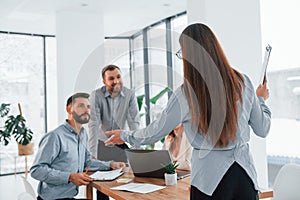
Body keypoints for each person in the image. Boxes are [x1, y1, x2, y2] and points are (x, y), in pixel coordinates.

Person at [104, 23, 271, 200]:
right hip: (244, 178)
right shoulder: (243, 82)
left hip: (209, 182)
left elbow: (155, 132)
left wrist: (125, 135)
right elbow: (263, 129)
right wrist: (260, 99)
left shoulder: (186, 94)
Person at [30, 92, 125, 200]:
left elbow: (86, 162)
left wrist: (110, 164)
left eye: (88, 107)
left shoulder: (83, 134)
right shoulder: (55, 136)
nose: (86, 110)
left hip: (69, 197)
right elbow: (36, 170)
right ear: (68, 109)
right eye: (81, 106)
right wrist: (70, 177)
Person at [88, 64, 140, 199]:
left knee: (126, 182)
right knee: (102, 187)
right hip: (102, 144)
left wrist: (137, 151)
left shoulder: (129, 94)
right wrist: (92, 155)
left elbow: (134, 122)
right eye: (111, 78)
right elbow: (93, 125)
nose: (116, 81)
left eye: (118, 76)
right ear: (104, 82)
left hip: (120, 142)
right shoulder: (96, 96)